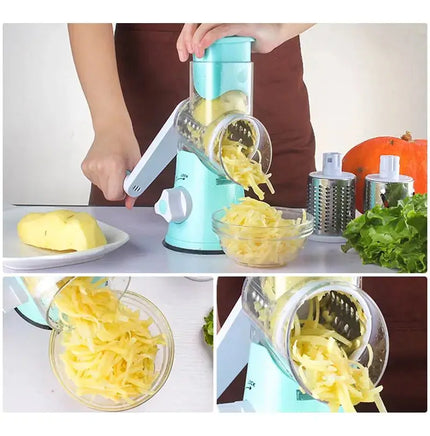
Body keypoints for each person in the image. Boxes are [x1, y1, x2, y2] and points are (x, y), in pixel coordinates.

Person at [68, 23, 315, 209]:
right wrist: (110, 125)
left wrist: (279, 23)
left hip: (267, 93)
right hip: (140, 108)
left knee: (284, 265)